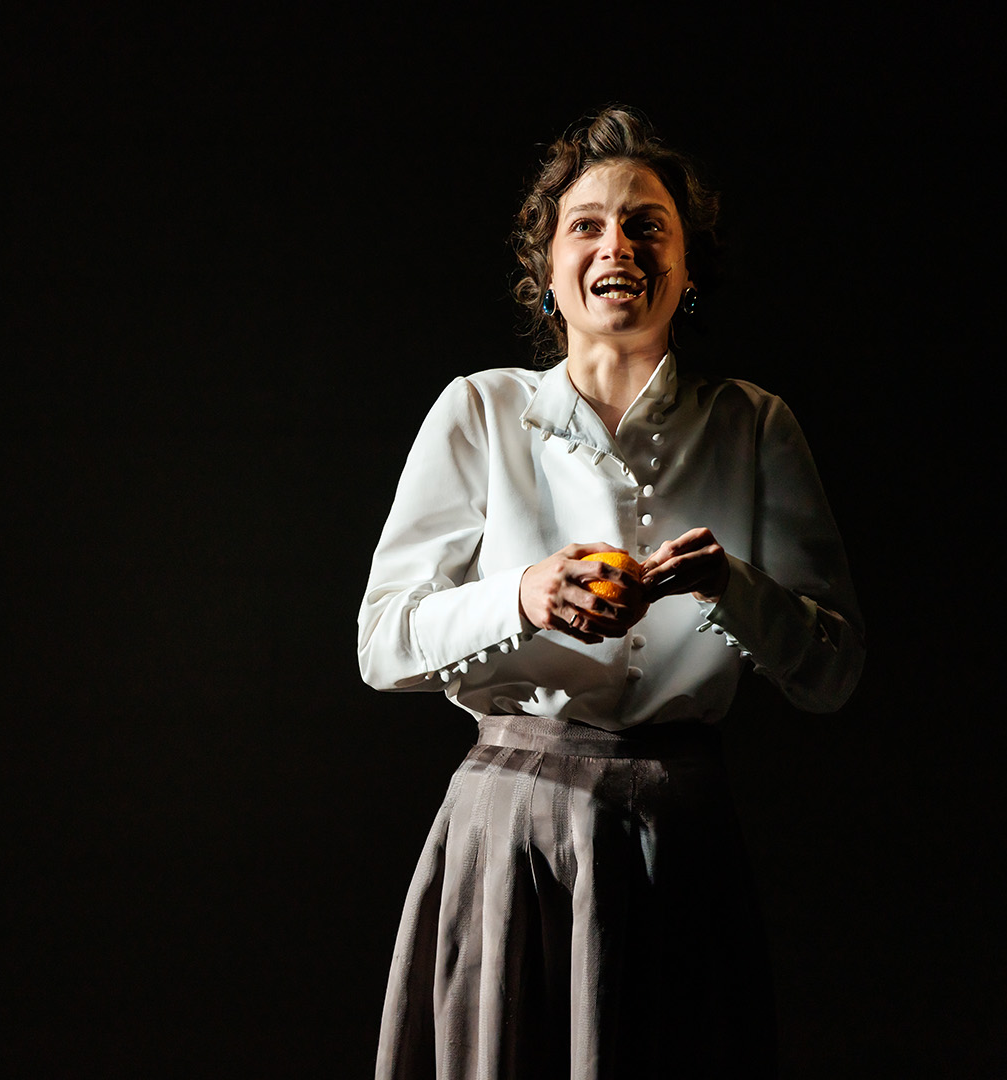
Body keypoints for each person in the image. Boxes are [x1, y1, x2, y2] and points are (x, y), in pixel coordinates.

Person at [357, 106, 865, 1079]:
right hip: (511, 834)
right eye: (584, 225)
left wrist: (728, 587)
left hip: (681, 839)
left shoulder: (753, 426)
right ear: (546, 271)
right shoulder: (480, 410)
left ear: (686, 266)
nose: (615, 245)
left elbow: (832, 669)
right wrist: (522, 595)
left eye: (646, 225)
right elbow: (382, 643)